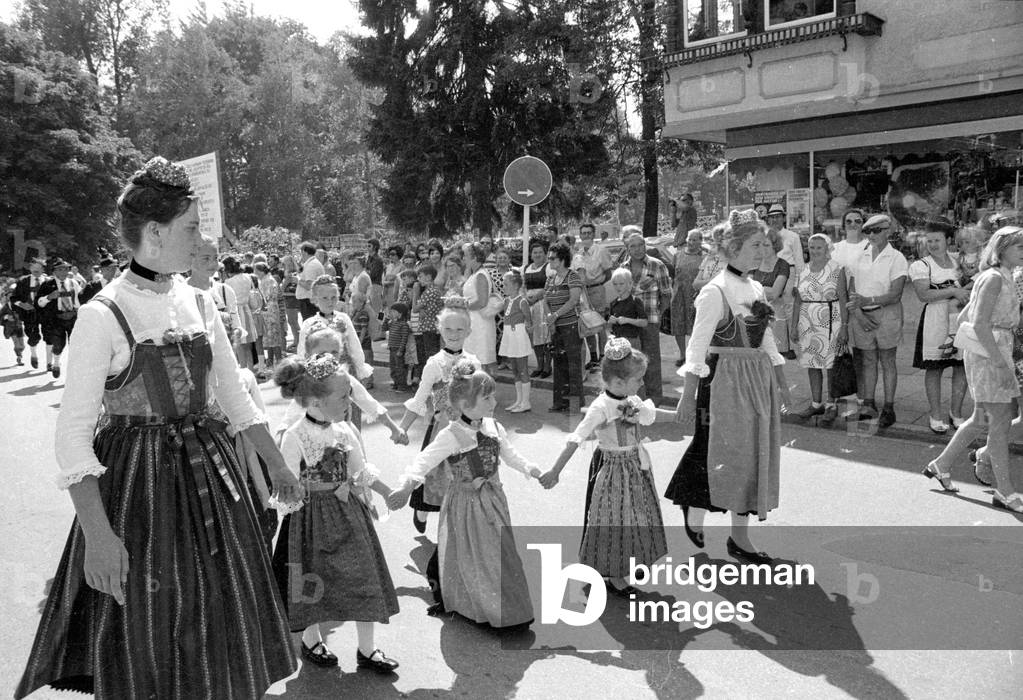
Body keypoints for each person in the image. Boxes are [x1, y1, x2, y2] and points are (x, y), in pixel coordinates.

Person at [16, 157, 301, 699]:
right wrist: (98, 538)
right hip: (137, 489)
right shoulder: (103, 314)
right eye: (191, 228)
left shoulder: (198, 300)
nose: (200, 239)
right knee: (151, 620)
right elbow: (72, 439)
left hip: (211, 477)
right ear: (153, 234)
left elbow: (236, 398)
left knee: (224, 608)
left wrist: (278, 463)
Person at [664, 209, 791, 564]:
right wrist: (687, 397)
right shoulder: (714, 291)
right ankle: (693, 504)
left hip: (755, 379)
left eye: (763, 244)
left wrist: (781, 381)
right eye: (754, 245)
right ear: (732, 248)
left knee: (753, 456)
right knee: (712, 451)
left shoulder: (755, 287)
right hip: (721, 378)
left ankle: (740, 538)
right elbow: (697, 347)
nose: (761, 251)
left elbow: (765, 339)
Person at [271, 355, 401, 672]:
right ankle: (312, 639)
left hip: (347, 514)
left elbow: (359, 471)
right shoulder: (295, 435)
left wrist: (387, 492)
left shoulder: (344, 430)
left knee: (362, 575)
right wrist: (294, 504)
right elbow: (287, 483)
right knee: (313, 582)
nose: (349, 402)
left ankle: (367, 649)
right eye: (343, 396)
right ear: (315, 399)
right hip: (310, 520)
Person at [388, 361, 541, 628]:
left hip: (493, 499)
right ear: (465, 404)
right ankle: (481, 607)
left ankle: (509, 608)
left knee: (499, 551)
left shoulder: (494, 427)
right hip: (465, 502)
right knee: (471, 552)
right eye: (487, 397)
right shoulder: (452, 434)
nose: (494, 401)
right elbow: (424, 461)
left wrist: (532, 469)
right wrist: (406, 486)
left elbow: (510, 455)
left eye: (492, 395)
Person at [540, 338, 675, 596]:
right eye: (638, 379)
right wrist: (555, 471)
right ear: (617, 382)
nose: (642, 383)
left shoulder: (630, 398)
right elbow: (577, 437)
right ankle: (614, 575)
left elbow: (649, 414)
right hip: (614, 470)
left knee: (637, 516)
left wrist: (679, 414)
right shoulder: (601, 407)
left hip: (636, 467)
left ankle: (626, 561)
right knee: (615, 520)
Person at [923, 226, 1023, 513]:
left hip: (992, 349)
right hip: (992, 351)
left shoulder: (995, 276)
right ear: (1002, 249)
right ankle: (1005, 491)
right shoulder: (993, 278)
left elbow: (966, 315)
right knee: (1000, 424)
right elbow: (978, 324)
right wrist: (1000, 362)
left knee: (982, 419)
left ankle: (940, 465)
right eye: (1019, 247)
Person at [396, 300, 481, 596]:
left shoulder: (474, 361)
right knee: (433, 476)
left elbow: (481, 396)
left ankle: (453, 539)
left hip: (468, 432)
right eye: (448, 329)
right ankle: (421, 510)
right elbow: (419, 400)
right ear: (439, 329)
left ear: (468, 330)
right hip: (441, 429)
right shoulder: (434, 363)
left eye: (460, 328)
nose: (454, 333)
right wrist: (402, 428)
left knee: (459, 484)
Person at [846, 214, 909, 429]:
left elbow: (896, 294)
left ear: (887, 231)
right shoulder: (861, 256)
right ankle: (869, 406)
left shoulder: (897, 258)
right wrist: (860, 313)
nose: (872, 235)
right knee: (868, 361)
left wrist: (868, 301)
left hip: (887, 313)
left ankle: (889, 408)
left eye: (877, 231)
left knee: (887, 361)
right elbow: (852, 289)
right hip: (863, 314)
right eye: (868, 232)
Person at [909, 227, 971, 433]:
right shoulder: (921, 265)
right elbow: (924, 294)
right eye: (930, 241)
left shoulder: (958, 262)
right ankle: (935, 414)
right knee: (934, 368)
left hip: (960, 317)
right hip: (935, 319)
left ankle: (956, 413)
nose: (933, 244)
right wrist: (953, 290)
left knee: (960, 366)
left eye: (937, 240)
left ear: (948, 241)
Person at [789, 233, 849, 424]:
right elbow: (798, 301)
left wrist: (845, 327)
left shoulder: (836, 270)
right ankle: (816, 404)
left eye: (819, 247)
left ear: (827, 249)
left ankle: (832, 403)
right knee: (812, 364)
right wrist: (794, 325)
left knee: (831, 365)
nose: (815, 251)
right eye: (812, 247)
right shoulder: (803, 270)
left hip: (831, 320)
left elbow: (842, 299)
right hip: (807, 321)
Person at [619, 229, 672, 400]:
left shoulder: (657, 265)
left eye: (640, 244)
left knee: (652, 362)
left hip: (650, 321)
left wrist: (658, 314)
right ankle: (635, 400)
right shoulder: (622, 268)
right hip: (628, 322)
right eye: (632, 246)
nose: (637, 249)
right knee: (632, 362)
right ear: (627, 249)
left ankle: (654, 401)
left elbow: (666, 294)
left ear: (645, 245)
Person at [545, 241, 585, 412]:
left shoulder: (573, 276)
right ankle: (560, 401)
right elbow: (545, 299)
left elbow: (574, 300)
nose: (550, 261)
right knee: (559, 364)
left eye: (552, 258)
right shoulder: (551, 278)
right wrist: (550, 317)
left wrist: (555, 315)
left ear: (562, 259)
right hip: (556, 327)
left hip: (570, 326)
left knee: (573, 365)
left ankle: (575, 405)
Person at [573, 223, 613, 370]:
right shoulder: (578, 253)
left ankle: (603, 356)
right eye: (583, 233)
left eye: (589, 233)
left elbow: (609, 273)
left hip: (597, 290)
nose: (586, 236)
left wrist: (599, 285)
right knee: (587, 323)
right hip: (584, 292)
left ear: (594, 234)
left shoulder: (601, 251)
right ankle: (594, 356)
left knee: (600, 325)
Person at [35, 257, 82, 379]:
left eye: (66, 269)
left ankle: (75, 370)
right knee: (58, 345)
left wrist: (78, 311)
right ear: (54, 272)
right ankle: (56, 363)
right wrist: (49, 297)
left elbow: (79, 300)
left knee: (76, 344)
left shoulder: (74, 283)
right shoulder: (47, 284)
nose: (63, 272)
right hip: (56, 319)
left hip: (72, 318)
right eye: (60, 269)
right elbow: (39, 303)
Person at [751, 228, 793, 357]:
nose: (763, 248)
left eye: (767, 245)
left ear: (775, 247)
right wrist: (765, 289)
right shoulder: (755, 263)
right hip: (755, 317)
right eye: (760, 245)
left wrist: (756, 287)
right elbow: (745, 289)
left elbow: (774, 294)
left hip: (775, 318)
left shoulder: (783, 265)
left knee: (775, 360)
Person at [499, 270, 533, 412]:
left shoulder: (522, 301)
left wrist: (528, 338)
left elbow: (529, 322)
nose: (503, 287)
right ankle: (518, 400)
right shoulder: (506, 301)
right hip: (509, 335)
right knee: (515, 370)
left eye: (506, 284)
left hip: (518, 335)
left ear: (515, 285)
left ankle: (526, 402)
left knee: (523, 369)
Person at [461, 242, 498, 372]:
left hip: (480, 322)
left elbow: (482, 301)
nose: (463, 259)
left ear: (475, 257)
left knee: (480, 361)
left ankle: (483, 391)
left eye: (465, 255)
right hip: (472, 321)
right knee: (471, 361)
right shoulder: (473, 274)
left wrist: (463, 306)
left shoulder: (481, 274)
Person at [671, 228, 705, 366]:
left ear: (700, 241)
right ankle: (682, 354)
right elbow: (673, 274)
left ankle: (694, 354)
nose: (691, 242)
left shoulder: (704, 257)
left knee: (695, 325)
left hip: (695, 295)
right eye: (689, 239)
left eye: (694, 239)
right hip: (679, 294)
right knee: (678, 325)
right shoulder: (677, 255)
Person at [223, 255, 261, 372]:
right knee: (248, 346)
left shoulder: (228, 282)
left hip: (235, 312)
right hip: (246, 310)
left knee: (239, 345)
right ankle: (251, 372)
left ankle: (244, 371)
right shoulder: (247, 277)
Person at [11, 259, 50, 371]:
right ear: (30, 269)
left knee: (50, 336)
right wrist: (22, 305)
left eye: (38, 268)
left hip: (46, 313)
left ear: (43, 269)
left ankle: (50, 363)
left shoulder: (49, 281)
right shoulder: (23, 281)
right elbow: (13, 298)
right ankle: (33, 355)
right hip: (29, 313)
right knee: (33, 337)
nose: (35, 270)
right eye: (33, 268)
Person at [524, 240, 551, 378]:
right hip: (529, 306)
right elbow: (523, 286)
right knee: (534, 337)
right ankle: (539, 365)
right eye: (535, 252)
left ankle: (547, 367)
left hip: (543, 304)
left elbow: (550, 286)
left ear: (545, 254)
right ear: (531, 254)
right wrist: (526, 298)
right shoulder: (526, 268)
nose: (538, 254)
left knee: (545, 337)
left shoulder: (548, 267)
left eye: (540, 252)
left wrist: (536, 297)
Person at [607, 268, 647, 348]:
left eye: (621, 284)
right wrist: (610, 321)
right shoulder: (613, 303)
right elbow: (609, 328)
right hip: (617, 340)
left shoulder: (635, 301)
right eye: (615, 284)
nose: (618, 287)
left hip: (632, 340)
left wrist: (627, 320)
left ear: (630, 284)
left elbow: (644, 322)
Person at [255, 261, 283, 369]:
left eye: (256, 271)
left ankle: (278, 360)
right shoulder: (267, 279)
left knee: (273, 336)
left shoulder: (267, 280)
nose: (255, 273)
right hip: (269, 309)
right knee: (269, 336)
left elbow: (267, 296)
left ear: (261, 271)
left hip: (269, 310)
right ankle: (271, 360)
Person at [414, 263, 443, 360]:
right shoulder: (435, 290)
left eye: (420, 276)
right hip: (432, 326)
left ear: (429, 277)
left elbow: (415, 308)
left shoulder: (429, 291)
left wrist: (415, 293)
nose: (419, 279)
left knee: (430, 355)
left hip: (429, 327)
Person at [384, 301, 412, 391]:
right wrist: (386, 319)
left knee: (400, 367)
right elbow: (383, 328)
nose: (391, 313)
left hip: (398, 349)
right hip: (392, 348)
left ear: (400, 313)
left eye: (393, 311)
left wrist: (401, 349)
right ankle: (395, 382)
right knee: (392, 367)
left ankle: (402, 385)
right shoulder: (392, 323)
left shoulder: (404, 325)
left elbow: (404, 338)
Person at [692, 223, 726, 293]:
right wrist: (713, 280)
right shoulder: (707, 259)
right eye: (711, 245)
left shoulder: (732, 262)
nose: (710, 249)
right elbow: (695, 284)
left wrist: (703, 283)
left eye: (714, 246)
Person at [295, 240, 324, 320]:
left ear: (304, 252)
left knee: (310, 325)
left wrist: (297, 280)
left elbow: (309, 285)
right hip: (309, 301)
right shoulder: (311, 263)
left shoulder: (312, 265)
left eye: (301, 252)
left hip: (309, 302)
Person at [1, 283, 26, 365]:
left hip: (19, 327)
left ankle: (19, 353)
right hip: (10, 328)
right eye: (9, 296)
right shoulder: (5, 307)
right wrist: (6, 317)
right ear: (7, 297)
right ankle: (19, 357)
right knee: (17, 343)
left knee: (22, 346)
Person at [280, 254, 301, 349]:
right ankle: (296, 341)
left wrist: (284, 284)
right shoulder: (294, 273)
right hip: (290, 300)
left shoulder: (289, 275)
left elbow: (282, 288)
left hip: (291, 300)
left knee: (293, 321)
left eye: (284, 263)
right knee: (292, 321)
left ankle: (298, 342)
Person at [366, 238, 386, 339]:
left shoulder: (378, 259)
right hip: (371, 286)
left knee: (378, 310)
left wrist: (367, 272)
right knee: (372, 310)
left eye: (369, 246)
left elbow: (372, 274)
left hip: (376, 286)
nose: (367, 248)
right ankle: (375, 332)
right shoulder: (369, 258)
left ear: (375, 247)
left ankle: (380, 332)